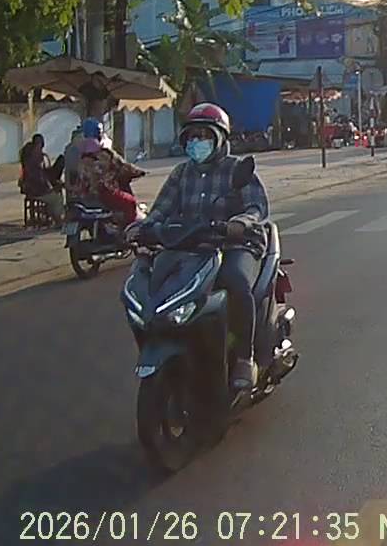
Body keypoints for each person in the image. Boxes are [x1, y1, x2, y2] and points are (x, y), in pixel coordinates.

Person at [131, 103, 271, 390]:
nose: (197, 142)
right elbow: (161, 209)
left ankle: (244, 357)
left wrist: (239, 223)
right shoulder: (181, 173)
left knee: (235, 281)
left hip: (234, 244)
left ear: (220, 138)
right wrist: (142, 227)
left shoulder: (236, 169)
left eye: (204, 136)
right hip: (190, 246)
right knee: (153, 283)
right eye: (192, 137)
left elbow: (256, 207)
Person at [77, 135, 146, 226]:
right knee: (130, 201)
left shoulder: (82, 164)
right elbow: (123, 168)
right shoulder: (100, 163)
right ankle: (128, 227)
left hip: (87, 196)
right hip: (104, 193)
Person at [19, 134, 64, 224]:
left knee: (54, 194)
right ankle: (57, 219)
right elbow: (39, 180)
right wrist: (50, 188)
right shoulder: (35, 158)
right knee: (57, 198)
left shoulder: (28, 155)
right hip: (37, 190)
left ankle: (50, 215)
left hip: (30, 187)